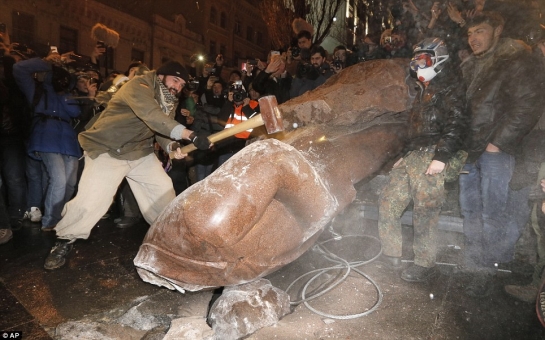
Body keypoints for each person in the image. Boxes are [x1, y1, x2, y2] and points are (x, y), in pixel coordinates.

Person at [42, 60, 210, 270]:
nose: (177, 86)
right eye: (175, 80)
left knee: (163, 194)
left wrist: (172, 146)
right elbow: (152, 116)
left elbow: (161, 130)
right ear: (160, 76)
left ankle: (174, 241)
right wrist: (190, 135)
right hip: (108, 149)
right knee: (91, 201)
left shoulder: (168, 99)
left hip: (140, 153)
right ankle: (64, 241)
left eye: (181, 84)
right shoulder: (139, 86)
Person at [458, 11, 545, 297]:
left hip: (495, 151)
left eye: (480, 31)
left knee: (492, 214)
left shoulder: (516, 61)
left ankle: (487, 268)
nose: (473, 38)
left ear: (497, 30)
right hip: (470, 150)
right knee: (470, 209)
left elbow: (527, 106)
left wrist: (497, 143)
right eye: (470, 33)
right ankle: (474, 263)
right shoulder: (472, 64)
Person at [378, 37, 468, 282]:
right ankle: (391, 254)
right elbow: (414, 130)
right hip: (415, 155)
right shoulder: (422, 92)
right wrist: (404, 156)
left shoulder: (450, 88)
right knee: (389, 203)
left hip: (434, 153)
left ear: (438, 59)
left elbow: (456, 124)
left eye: (423, 60)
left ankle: (425, 264)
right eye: (415, 61)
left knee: (425, 213)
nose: (418, 66)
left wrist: (441, 157)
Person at [13, 50, 83, 231]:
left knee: (70, 182)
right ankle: (50, 220)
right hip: (45, 135)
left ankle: (58, 215)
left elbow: (75, 112)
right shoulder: (36, 89)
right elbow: (19, 68)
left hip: (67, 138)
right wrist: (48, 63)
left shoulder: (67, 92)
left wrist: (65, 88)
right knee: (58, 179)